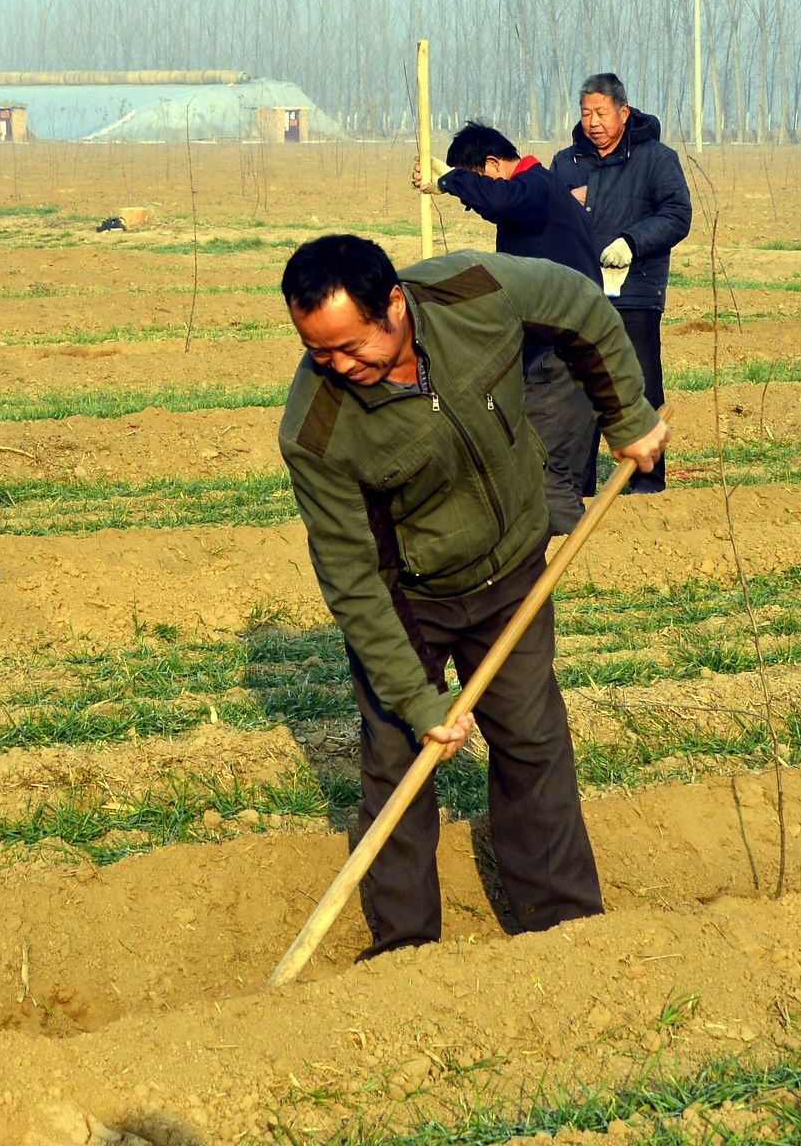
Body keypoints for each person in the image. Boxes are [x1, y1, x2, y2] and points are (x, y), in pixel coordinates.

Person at [277, 234, 667, 956]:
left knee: (531, 741)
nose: (335, 366)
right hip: (409, 604)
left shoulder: (470, 292)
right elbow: (355, 580)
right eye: (317, 351)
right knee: (396, 765)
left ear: (394, 303)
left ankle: (562, 927)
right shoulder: (317, 431)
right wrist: (421, 703)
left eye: (349, 347)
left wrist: (628, 417)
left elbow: (581, 308)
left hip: (511, 568)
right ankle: (404, 947)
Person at [415, 120, 604, 534]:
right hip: (562, 349)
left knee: (545, 474)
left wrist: (449, 182)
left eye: (477, 179)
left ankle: (579, 569)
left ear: (494, 164)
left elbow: (501, 200)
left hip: (562, 359)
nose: (473, 205)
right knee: (545, 471)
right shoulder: (538, 200)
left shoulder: (536, 187)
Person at [552, 73, 691, 494]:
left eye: (601, 112)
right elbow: (546, 216)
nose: (593, 121)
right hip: (581, 292)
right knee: (576, 384)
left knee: (638, 383)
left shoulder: (655, 158)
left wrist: (632, 242)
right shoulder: (566, 162)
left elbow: (676, 214)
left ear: (623, 112)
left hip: (635, 292)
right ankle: (577, 483)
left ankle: (646, 481)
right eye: (585, 113)